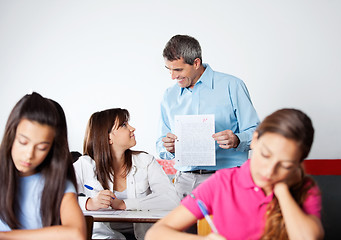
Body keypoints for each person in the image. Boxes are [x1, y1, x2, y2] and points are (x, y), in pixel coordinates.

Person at [147, 108, 325, 240]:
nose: (270, 171)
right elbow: (155, 234)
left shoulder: (305, 188)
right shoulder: (223, 182)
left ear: (296, 164)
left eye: (285, 165)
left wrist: (281, 189)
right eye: (265, 155)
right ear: (255, 139)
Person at [156, 34, 260, 200]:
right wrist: (166, 147)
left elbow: (257, 134)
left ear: (196, 63)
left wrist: (237, 140)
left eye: (178, 70)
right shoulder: (169, 95)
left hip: (227, 178)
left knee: (225, 227)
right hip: (184, 181)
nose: (173, 77)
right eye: (169, 70)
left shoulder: (232, 86)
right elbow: (160, 144)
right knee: (178, 227)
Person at [73, 108, 180, 240]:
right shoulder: (85, 165)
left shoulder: (145, 161)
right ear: (108, 137)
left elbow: (171, 199)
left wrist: (124, 204)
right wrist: (89, 203)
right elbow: (53, 198)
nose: (132, 128)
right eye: (124, 125)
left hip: (143, 236)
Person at [0, 92, 86, 240]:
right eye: (23, 142)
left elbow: (76, 235)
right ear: (11, 135)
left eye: (41, 148)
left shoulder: (58, 185)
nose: (29, 155)